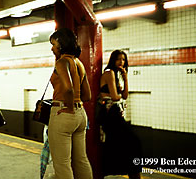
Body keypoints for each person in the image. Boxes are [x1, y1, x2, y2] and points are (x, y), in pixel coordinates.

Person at [48, 28, 93, 179]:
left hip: (64, 113)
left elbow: (68, 88)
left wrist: (68, 108)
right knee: (81, 160)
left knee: (62, 164)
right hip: (81, 115)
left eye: (53, 44)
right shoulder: (79, 63)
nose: (52, 48)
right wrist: (74, 105)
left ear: (61, 45)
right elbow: (87, 95)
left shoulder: (62, 62)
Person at [96, 50, 142, 179]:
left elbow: (125, 96)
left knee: (125, 145)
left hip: (115, 113)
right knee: (132, 142)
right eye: (118, 59)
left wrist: (125, 77)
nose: (121, 62)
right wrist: (114, 95)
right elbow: (116, 97)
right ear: (112, 60)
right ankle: (131, 172)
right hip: (109, 114)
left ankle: (131, 171)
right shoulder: (109, 73)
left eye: (123, 60)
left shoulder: (117, 75)